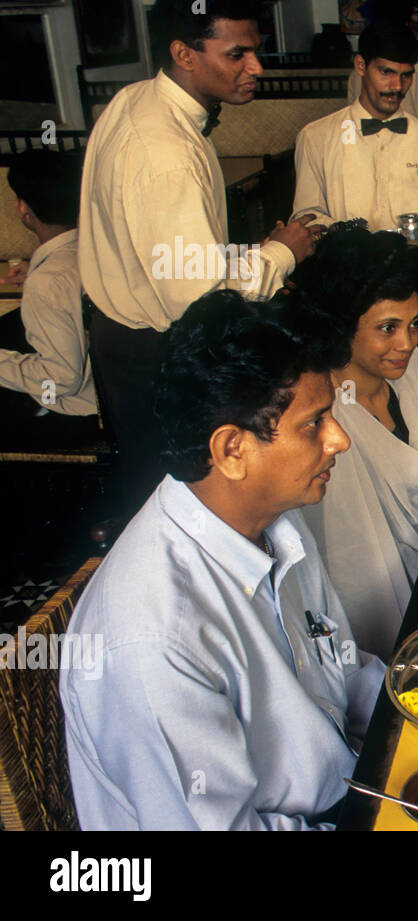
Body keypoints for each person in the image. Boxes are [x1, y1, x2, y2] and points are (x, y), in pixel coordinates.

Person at [60, 290, 385, 830]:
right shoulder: (154, 638)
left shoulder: (271, 517)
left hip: (349, 788)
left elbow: (346, 676)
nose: (340, 440)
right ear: (232, 450)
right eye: (315, 423)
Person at [79, 0, 319, 512]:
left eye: (256, 52)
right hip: (155, 354)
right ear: (184, 54)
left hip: (127, 338)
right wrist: (280, 254)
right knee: (177, 506)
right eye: (237, 55)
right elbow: (199, 305)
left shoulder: (136, 99)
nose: (255, 68)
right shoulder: (163, 152)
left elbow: (170, 258)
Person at [287, 225, 418, 657]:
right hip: (380, 623)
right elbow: (350, 569)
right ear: (342, 326)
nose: (407, 344)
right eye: (388, 328)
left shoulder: (403, 371)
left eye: (414, 325)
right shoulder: (326, 423)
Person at [298, 17, 418, 232]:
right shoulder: (316, 138)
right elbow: (308, 216)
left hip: (410, 262)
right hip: (345, 262)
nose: (397, 86)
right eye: (386, 72)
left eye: (406, 76)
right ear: (361, 65)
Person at [0, 149, 100, 449]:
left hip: (77, 411)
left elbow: (60, 381)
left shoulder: (46, 284)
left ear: (23, 209)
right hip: (111, 389)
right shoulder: (96, 250)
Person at [346, 0, 418, 170]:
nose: (397, 85)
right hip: (370, 159)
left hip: (416, 159)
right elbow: (352, 120)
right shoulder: (357, 75)